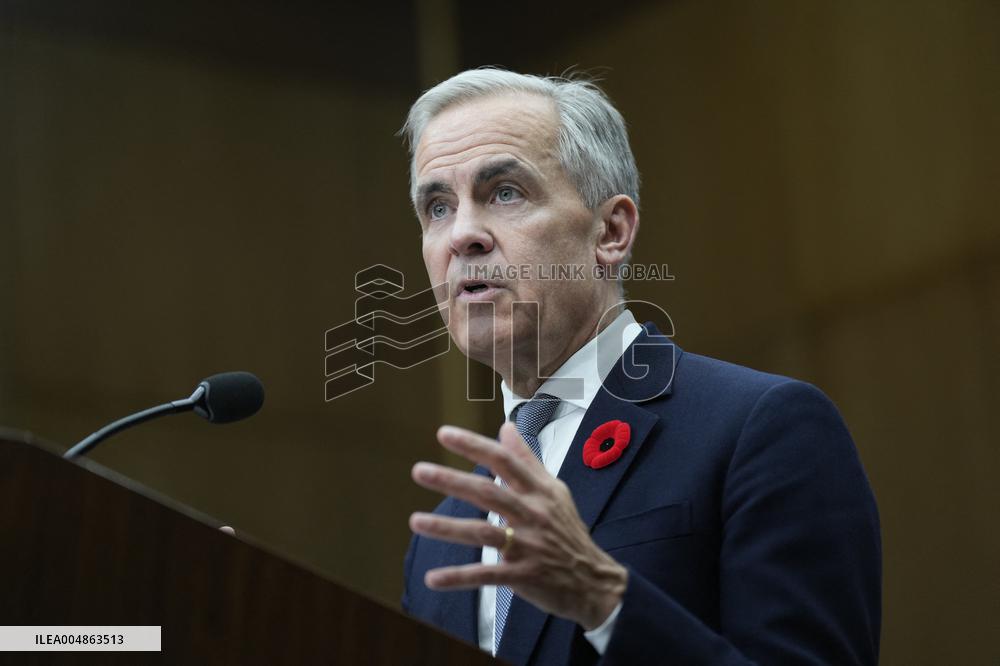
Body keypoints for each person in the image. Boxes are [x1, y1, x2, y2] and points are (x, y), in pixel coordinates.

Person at [399, 68, 881, 665]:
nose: (464, 234)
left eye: (504, 192)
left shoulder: (759, 430)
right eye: (438, 207)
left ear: (611, 231)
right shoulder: (441, 542)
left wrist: (603, 598)